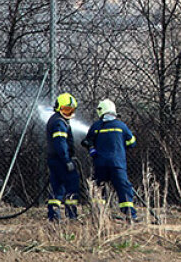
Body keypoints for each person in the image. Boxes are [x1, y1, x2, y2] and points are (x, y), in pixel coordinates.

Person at [82, 98, 138, 221]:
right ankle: (130, 215)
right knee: (123, 188)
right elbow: (132, 142)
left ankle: (99, 215)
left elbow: (87, 141)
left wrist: (92, 148)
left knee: (99, 188)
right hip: (117, 164)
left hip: (100, 164)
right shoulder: (121, 126)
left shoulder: (96, 126)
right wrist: (122, 145)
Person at [46, 92, 81, 222]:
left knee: (57, 187)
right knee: (72, 185)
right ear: (58, 107)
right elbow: (60, 143)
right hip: (61, 160)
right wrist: (67, 160)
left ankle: (54, 216)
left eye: (71, 110)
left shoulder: (56, 120)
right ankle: (72, 215)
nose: (68, 113)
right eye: (66, 109)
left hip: (55, 160)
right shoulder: (59, 123)